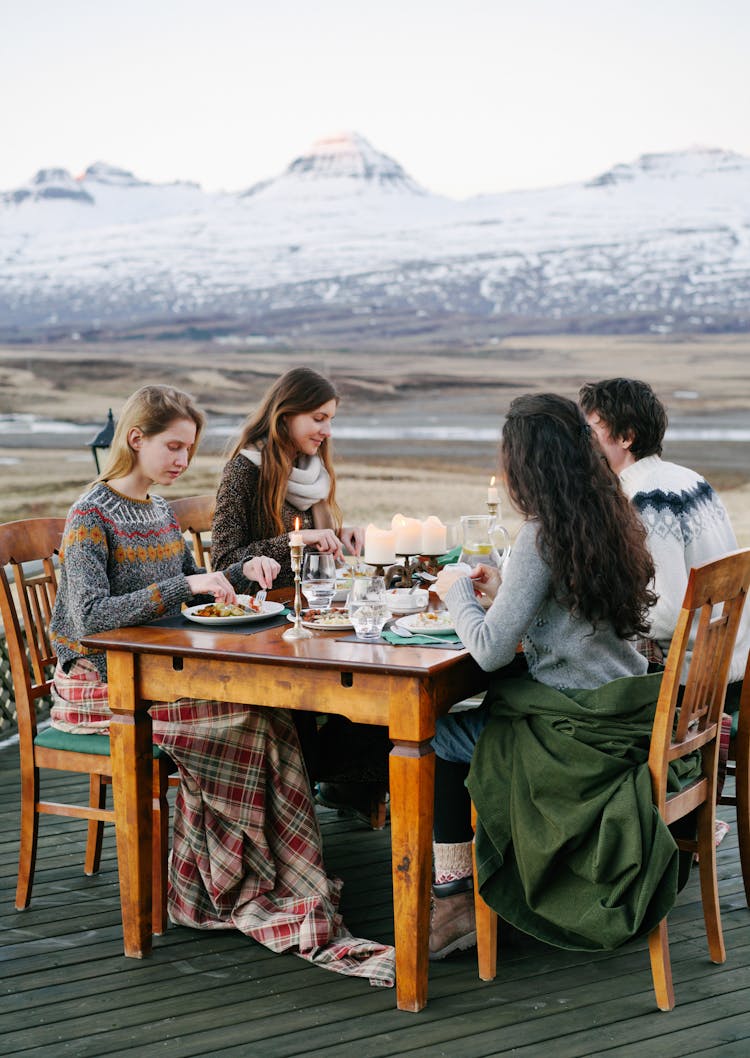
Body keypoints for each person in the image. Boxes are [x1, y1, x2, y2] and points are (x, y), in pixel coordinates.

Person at [48, 384, 394, 986]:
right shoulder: (90, 515)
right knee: (252, 718)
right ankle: (236, 884)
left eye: (190, 448)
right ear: (136, 439)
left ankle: (262, 874)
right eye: (173, 446)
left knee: (267, 713)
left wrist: (242, 570)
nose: (183, 459)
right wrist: (191, 588)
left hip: (160, 675)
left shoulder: (157, 510)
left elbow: (197, 578)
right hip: (101, 686)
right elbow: (87, 618)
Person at [427, 393, 699, 960]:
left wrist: (456, 594)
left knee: (434, 738)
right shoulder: (611, 514)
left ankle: (453, 902)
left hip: (575, 741)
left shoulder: (541, 534)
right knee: (472, 720)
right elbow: (572, 617)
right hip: (627, 716)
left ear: (528, 465)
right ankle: (464, 892)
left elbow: (490, 654)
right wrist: (505, 591)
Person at [212, 366, 390, 820]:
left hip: (310, 618)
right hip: (262, 629)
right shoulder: (244, 469)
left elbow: (318, 542)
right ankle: (316, 784)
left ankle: (346, 782)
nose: (326, 430)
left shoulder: (312, 471)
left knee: (378, 679)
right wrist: (294, 543)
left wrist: (339, 535)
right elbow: (224, 564)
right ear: (285, 414)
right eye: (317, 418)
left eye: (330, 419)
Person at [579, 377, 750, 711]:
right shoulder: (691, 479)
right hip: (730, 664)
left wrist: (592, 609)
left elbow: (666, 614)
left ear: (626, 437)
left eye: (592, 431)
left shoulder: (645, 500)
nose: (586, 443)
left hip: (689, 685)